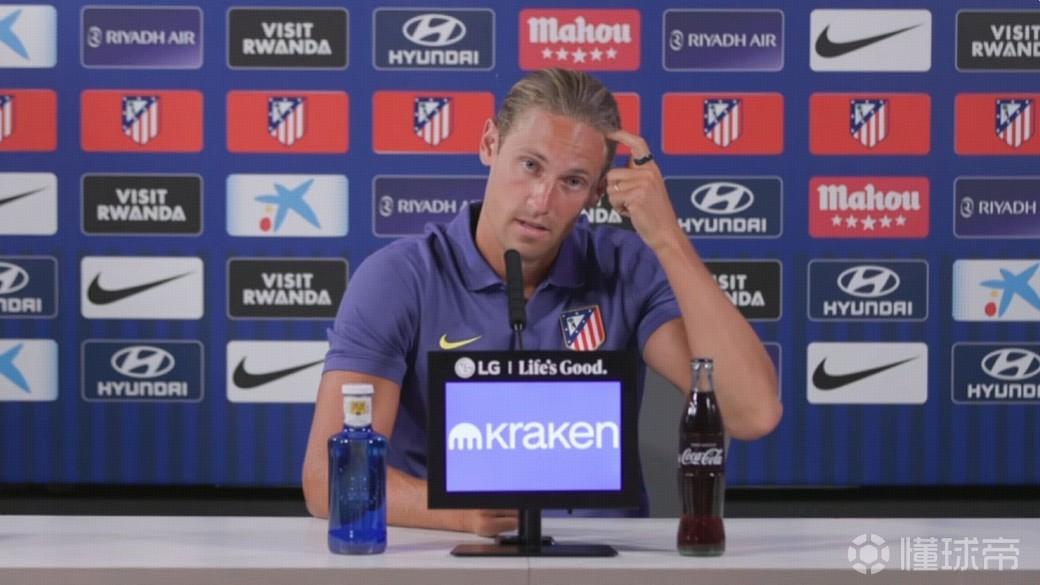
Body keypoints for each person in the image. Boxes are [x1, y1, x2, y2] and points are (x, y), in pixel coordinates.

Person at [302, 68, 782, 536]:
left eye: (572, 182)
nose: (541, 200)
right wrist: (460, 513)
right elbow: (327, 482)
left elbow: (752, 413)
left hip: (602, 560)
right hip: (448, 553)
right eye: (530, 165)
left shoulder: (625, 268)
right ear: (490, 144)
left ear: (597, 192)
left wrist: (667, 238)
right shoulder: (400, 277)